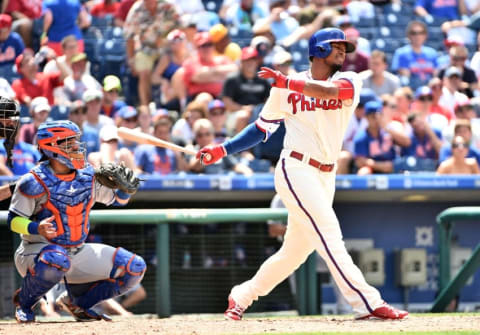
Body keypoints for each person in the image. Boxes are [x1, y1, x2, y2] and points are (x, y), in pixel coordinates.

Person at [197, 28, 408, 321]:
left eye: (344, 47)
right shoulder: (285, 87)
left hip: (326, 174)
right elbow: (262, 128)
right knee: (330, 236)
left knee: (295, 253)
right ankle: (367, 303)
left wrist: (288, 82)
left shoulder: (349, 80)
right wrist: (223, 149)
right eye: (336, 46)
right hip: (296, 168)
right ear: (318, 50)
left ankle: (242, 294)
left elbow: (332, 93)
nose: (342, 51)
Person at [9, 120, 145, 323]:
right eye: (68, 142)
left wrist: (125, 190)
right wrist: (36, 227)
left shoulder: (87, 175)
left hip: (76, 250)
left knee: (133, 267)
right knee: (56, 259)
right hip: (37, 251)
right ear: (51, 147)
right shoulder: (33, 181)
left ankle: (79, 304)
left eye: (76, 141)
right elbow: (13, 220)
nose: (76, 147)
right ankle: (26, 304)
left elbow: (117, 201)